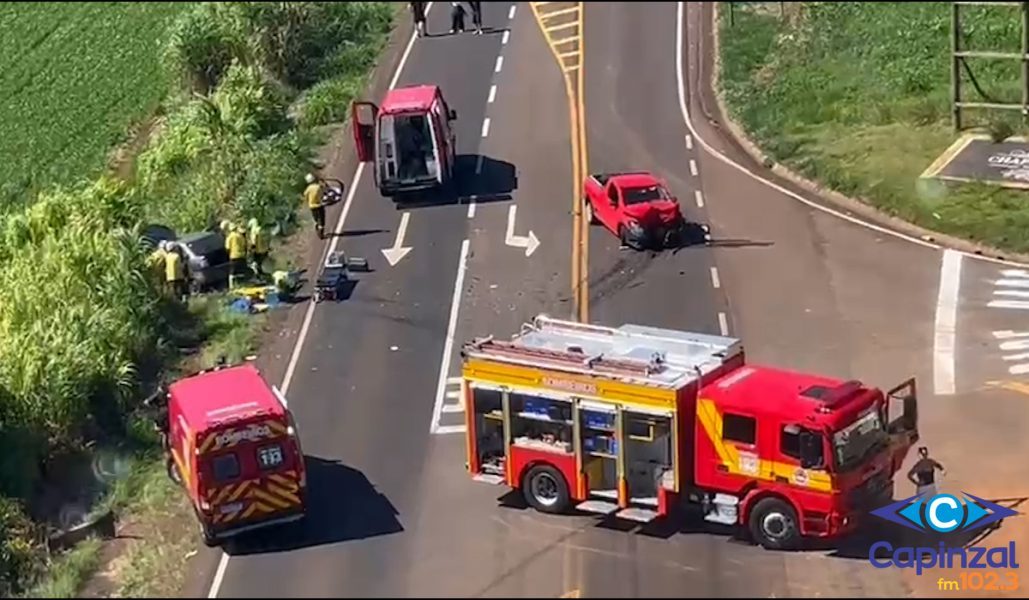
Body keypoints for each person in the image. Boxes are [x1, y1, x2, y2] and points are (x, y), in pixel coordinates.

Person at [304, 173, 326, 240]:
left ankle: (317, 225)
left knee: (316, 218)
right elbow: (322, 194)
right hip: (319, 205)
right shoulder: (318, 187)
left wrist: (307, 202)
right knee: (321, 220)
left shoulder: (308, 189)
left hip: (312, 206)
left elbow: (305, 196)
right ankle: (321, 232)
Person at [225, 223, 248, 288]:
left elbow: (227, 247)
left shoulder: (229, 237)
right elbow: (244, 245)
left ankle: (232, 286)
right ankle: (243, 285)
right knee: (242, 272)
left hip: (233, 256)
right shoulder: (240, 236)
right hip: (242, 255)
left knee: (232, 272)